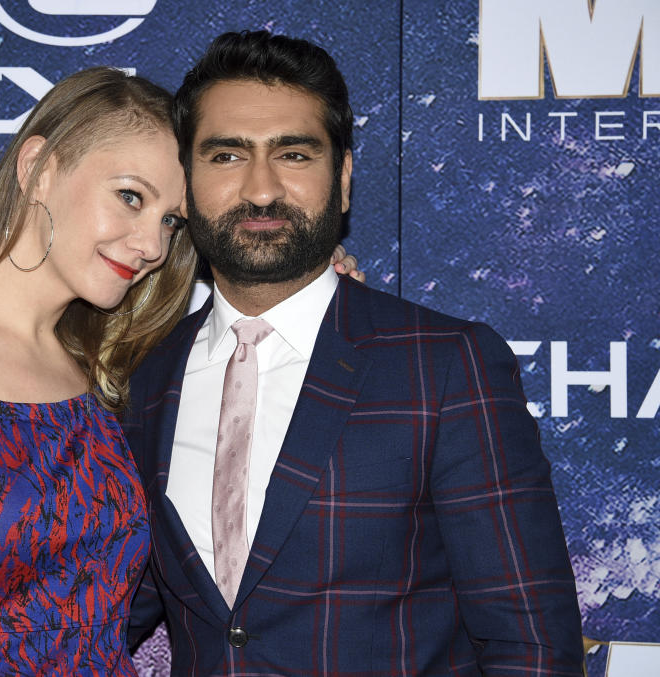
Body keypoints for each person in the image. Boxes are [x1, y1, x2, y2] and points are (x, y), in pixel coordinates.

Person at [0, 65, 361, 676]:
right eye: (130, 197)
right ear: (38, 169)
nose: (152, 246)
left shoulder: (107, 369)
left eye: (170, 222)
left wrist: (309, 286)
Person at [124, 31, 585, 675]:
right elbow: (105, 609)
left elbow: (531, 649)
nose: (261, 190)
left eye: (293, 154)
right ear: (187, 180)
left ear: (341, 178)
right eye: (227, 155)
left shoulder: (445, 365)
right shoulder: (145, 379)